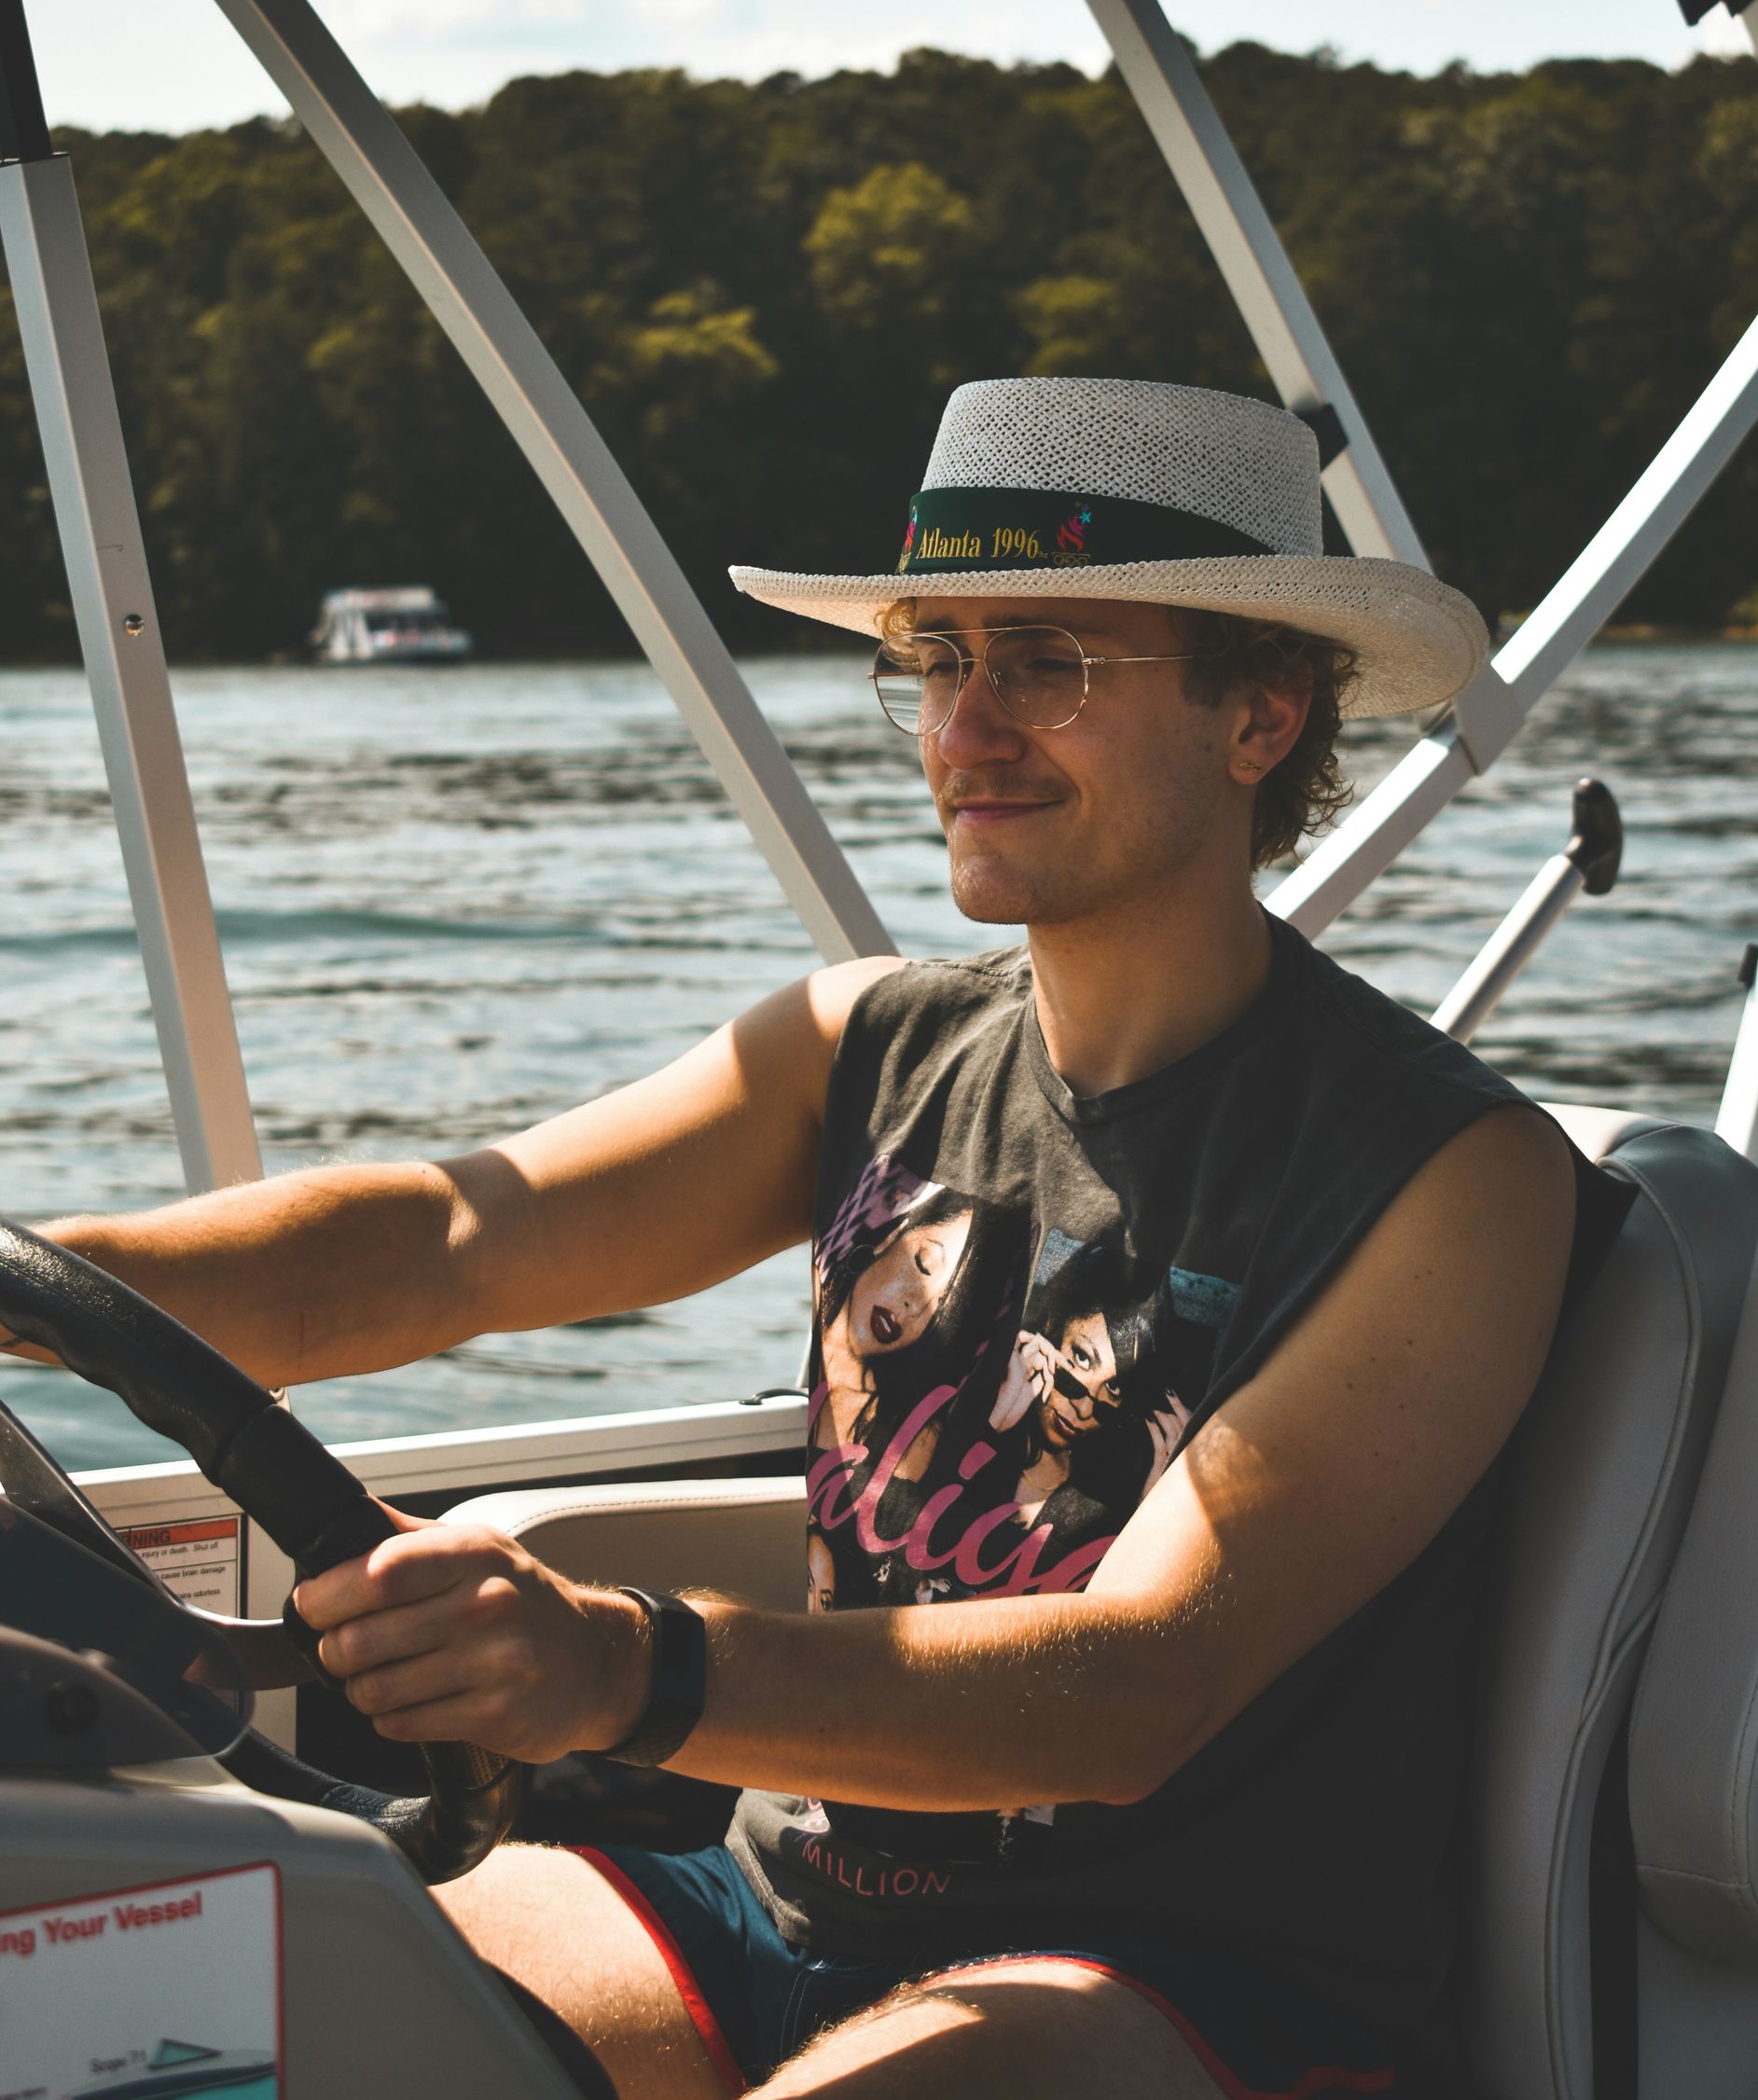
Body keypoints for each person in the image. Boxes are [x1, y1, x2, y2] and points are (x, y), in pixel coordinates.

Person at [22, 376, 1622, 2099]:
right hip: (770, 1904)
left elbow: (1140, 1682)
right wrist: (31, 1287)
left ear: (1261, 715)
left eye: (1049, 665)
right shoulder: (867, 1044)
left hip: (1174, 1975)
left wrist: (616, 1662)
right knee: (161, 2002)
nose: (967, 732)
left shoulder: (1452, 1176)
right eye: (938, 661)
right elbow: (448, 1239)